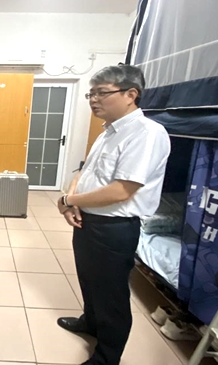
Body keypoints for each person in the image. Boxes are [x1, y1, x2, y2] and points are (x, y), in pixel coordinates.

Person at [57, 65, 171, 365]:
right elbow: (84, 170)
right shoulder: (108, 131)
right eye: (90, 94)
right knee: (88, 279)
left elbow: (122, 190)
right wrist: (72, 201)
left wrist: (68, 199)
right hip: (88, 221)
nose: (93, 100)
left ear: (131, 94)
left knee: (111, 295)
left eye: (101, 93)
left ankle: (107, 357)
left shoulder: (147, 133)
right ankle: (90, 322)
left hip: (114, 228)